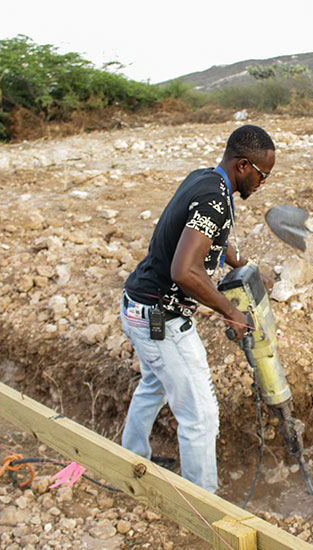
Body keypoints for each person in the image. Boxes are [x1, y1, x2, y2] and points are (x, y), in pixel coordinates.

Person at [119, 124, 277, 492]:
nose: (263, 182)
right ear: (243, 165)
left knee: (154, 384)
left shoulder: (204, 179)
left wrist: (229, 255)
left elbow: (187, 234)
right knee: (201, 417)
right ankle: (204, 505)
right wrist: (230, 311)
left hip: (139, 305)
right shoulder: (215, 200)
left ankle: (131, 459)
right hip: (161, 316)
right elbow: (184, 269)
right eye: (263, 174)